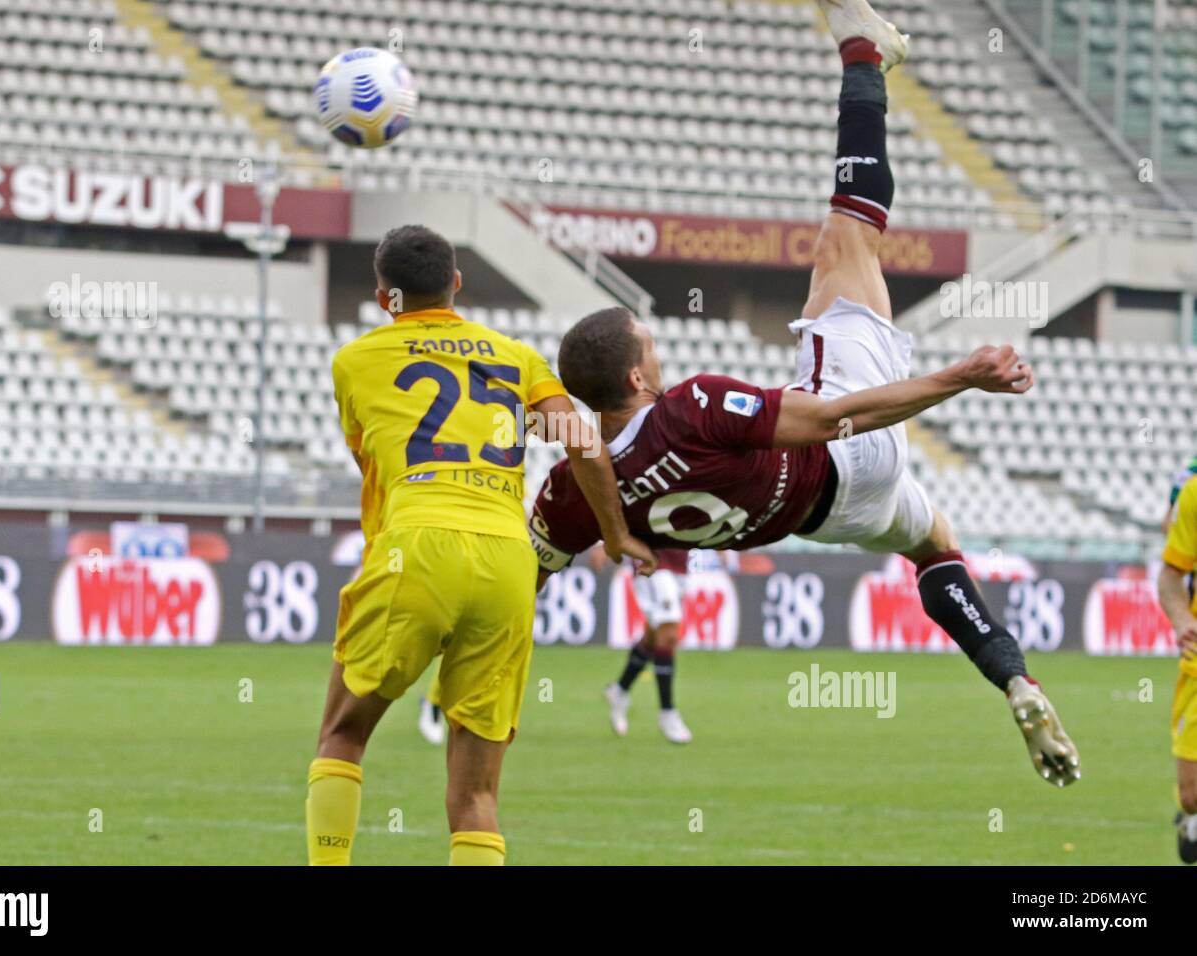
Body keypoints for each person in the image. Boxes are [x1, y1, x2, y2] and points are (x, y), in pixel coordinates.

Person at [526, 0, 1080, 787]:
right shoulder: (692, 409)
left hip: (832, 521)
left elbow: (528, 571)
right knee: (846, 239)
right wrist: (963, 375)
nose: (663, 347)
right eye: (651, 344)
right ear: (636, 379)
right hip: (843, 455)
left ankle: (1014, 676)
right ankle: (862, 53)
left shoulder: (578, 490)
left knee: (935, 547)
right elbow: (834, 416)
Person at [307, 224, 654, 866]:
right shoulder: (518, 358)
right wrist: (615, 533)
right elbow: (583, 444)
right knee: (476, 795)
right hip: (507, 560)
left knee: (342, 735)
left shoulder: (353, 361)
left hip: (418, 547)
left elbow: (375, 465)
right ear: (457, 284)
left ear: (387, 297)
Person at [606, 549, 694, 743]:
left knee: (654, 636)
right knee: (669, 632)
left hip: (679, 555)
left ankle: (619, 690)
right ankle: (667, 711)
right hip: (650, 555)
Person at [1156, 474, 1197, 863]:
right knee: (1192, 795)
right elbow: (1170, 576)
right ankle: (1192, 820)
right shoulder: (1194, 494)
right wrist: (1183, 619)